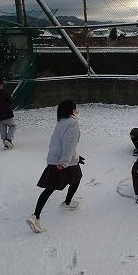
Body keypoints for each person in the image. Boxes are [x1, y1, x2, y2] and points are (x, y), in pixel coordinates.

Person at [27, 100, 83, 233]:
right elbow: (68, 144)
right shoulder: (72, 123)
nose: (77, 111)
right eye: (76, 109)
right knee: (76, 179)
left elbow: (58, 143)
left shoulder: (61, 123)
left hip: (56, 159)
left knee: (51, 188)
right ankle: (64, 204)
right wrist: (64, 162)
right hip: (63, 162)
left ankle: (36, 215)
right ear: (72, 110)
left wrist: (76, 158)